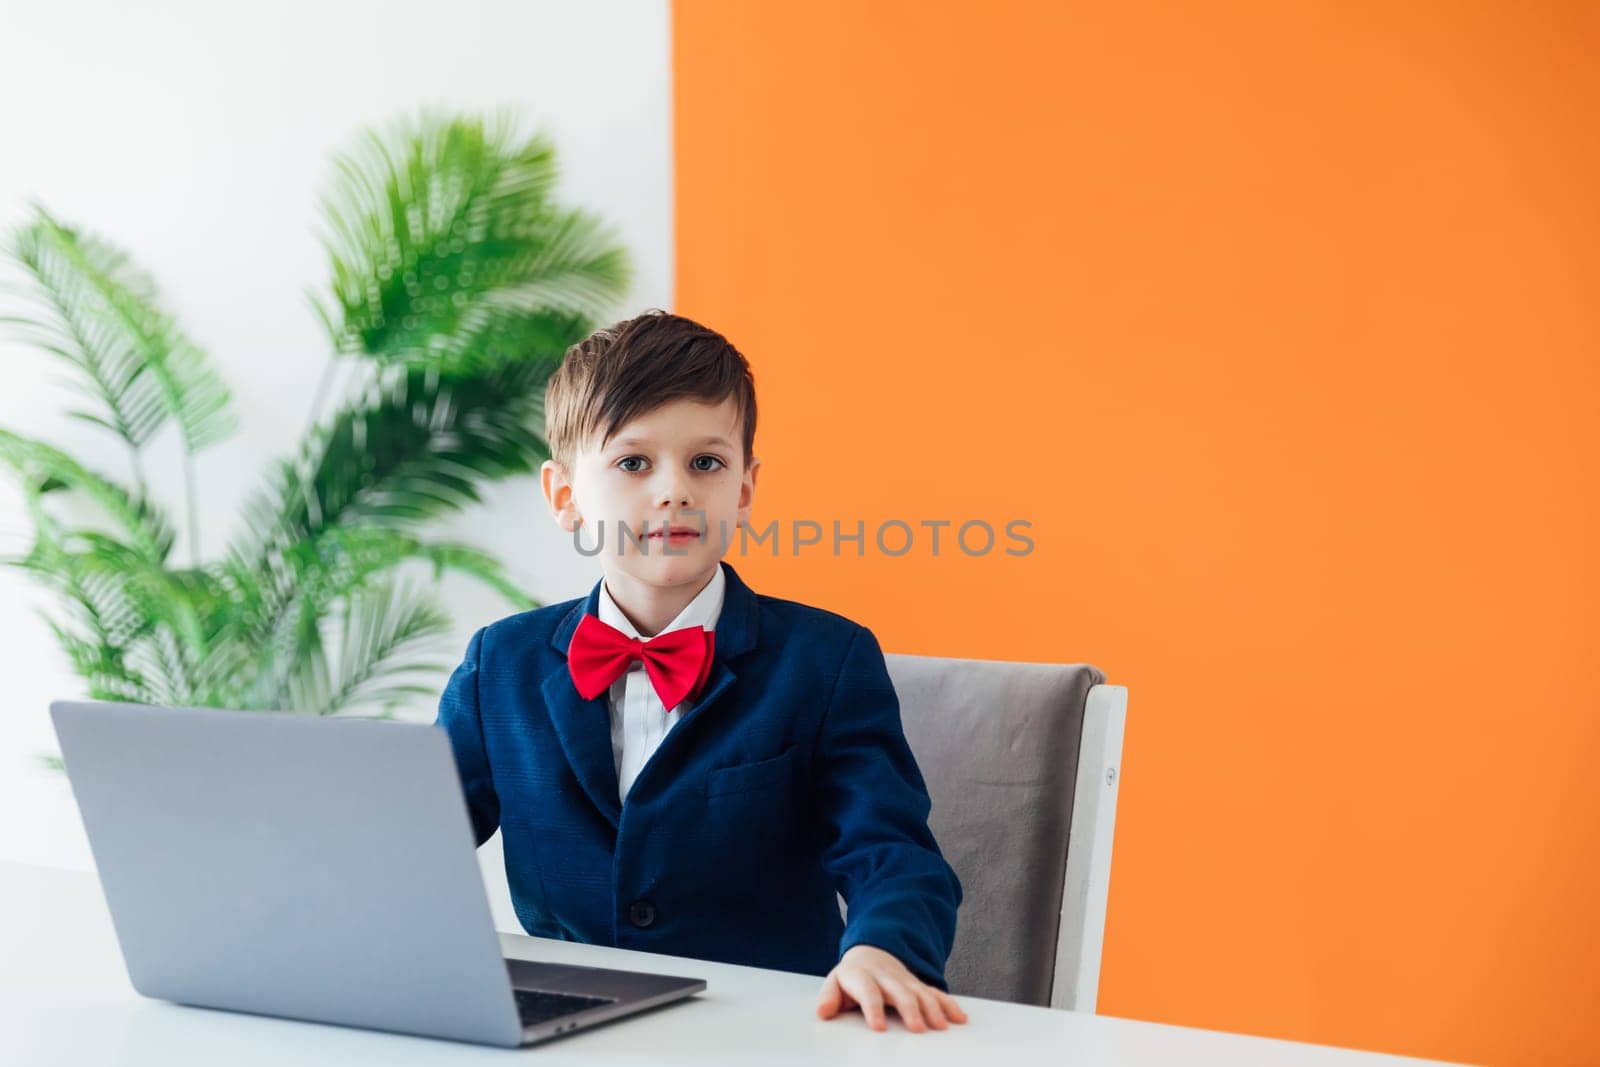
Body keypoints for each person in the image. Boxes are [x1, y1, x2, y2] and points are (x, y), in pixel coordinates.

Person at [434, 309, 967, 1033]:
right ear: (564, 496)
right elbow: (416, 841)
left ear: (745, 488)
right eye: (633, 462)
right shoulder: (501, 663)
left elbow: (892, 851)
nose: (673, 491)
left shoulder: (827, 661)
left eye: (706, 463)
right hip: (563, 1028)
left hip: (766, 1031)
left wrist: (883, 945)